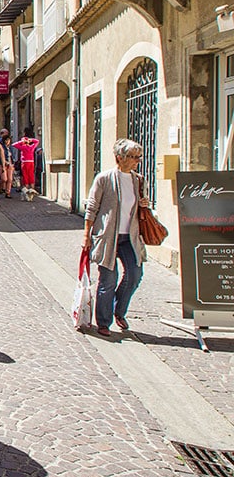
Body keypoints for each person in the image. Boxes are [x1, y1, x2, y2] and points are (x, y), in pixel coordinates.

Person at [83, 139, 150, 336]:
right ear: (119, 158)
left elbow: (139, 207)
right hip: (108, 237)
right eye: (133, 157)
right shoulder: (104, 179)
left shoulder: (139, 180)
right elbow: (92, 207)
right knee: (108, 280)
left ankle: (119, 311)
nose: (137, 161)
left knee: (135, 274)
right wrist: (86, 235)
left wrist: (144, 204)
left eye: (139, 157)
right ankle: (103, 322)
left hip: (130, 237)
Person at [13, 128, 40, 193]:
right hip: (31, 162)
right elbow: (37, 141)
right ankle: (32, 188)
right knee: (31, 174)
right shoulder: (31, 147)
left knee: (25, 174)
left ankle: (27, 187)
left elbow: (14, 145)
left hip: (24, 162)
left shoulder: (22, 147)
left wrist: (21, 142)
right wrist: (30, 140)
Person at [0, 130, 16, 198]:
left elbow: (13, 156)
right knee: (4, 179)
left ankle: (8, 192)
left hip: (10, 165)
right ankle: (0, 188)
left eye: (8, 140)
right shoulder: (2, 147)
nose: (7, 141)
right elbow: (0, 156)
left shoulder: (11, 148)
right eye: (6, 140)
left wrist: (13, 163)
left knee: (10, 179)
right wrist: (5, 162)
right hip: (3, 164)